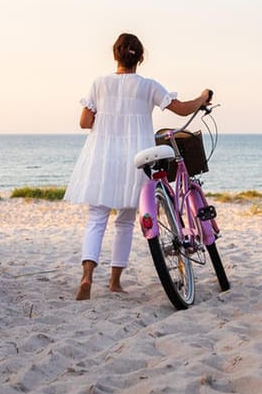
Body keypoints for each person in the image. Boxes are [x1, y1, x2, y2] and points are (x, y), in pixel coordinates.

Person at [64, 33, 212, 301]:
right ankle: (115, 282)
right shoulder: (148, 86)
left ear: (114, 55)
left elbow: (85, 122)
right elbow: (180, 110)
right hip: (136, 159)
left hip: (102, 156)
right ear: (140, 58)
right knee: (124, 222)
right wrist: (202, 98)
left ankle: (86, 277)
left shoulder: (99, 84)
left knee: (96, 218)